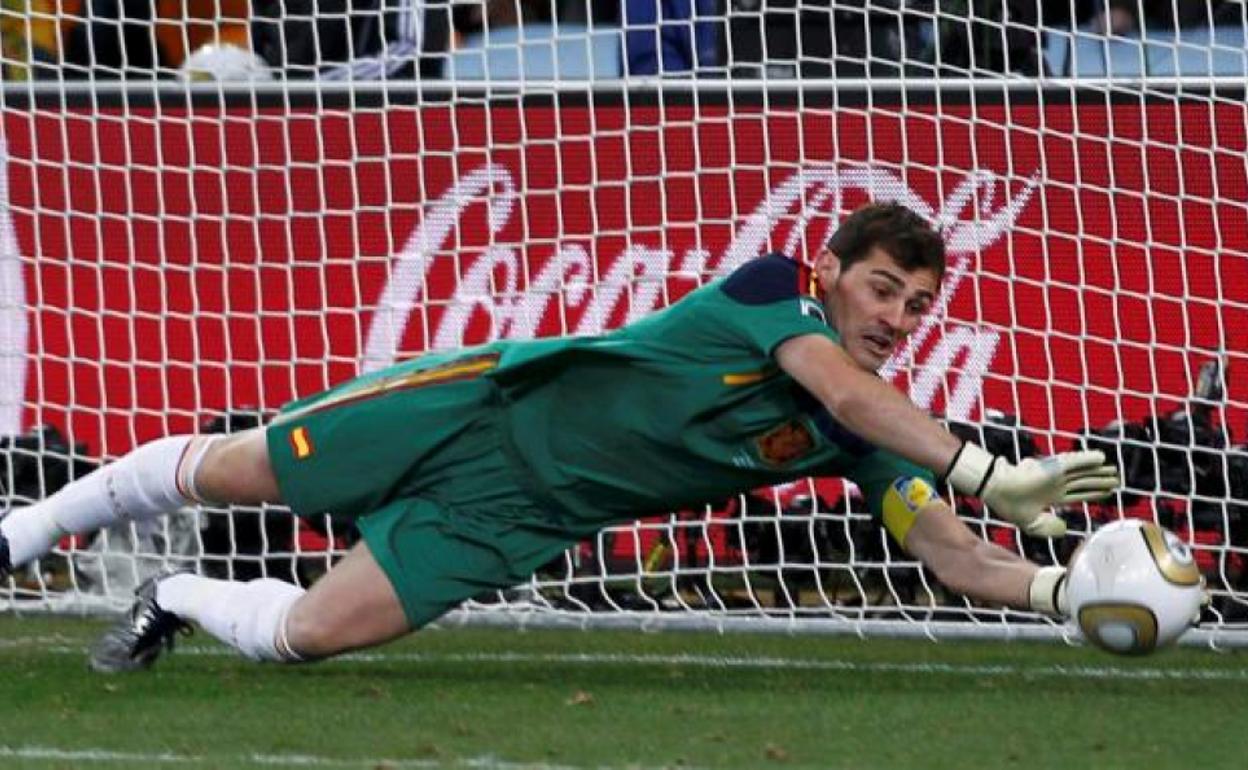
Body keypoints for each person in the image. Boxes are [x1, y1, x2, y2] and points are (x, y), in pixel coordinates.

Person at [0, 202, 1118, 672]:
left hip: (524, 514)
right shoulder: (771, 292)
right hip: (480, 404)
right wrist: (982, 465)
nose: (895, 320)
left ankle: (175, 596)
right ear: (829, 273)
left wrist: (1067, 594)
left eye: (918, 306)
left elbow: (952, 553)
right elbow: (848, 387)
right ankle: (23, 529)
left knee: (306, 635)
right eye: (882, 289)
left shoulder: (864, 436)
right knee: (240, 467)